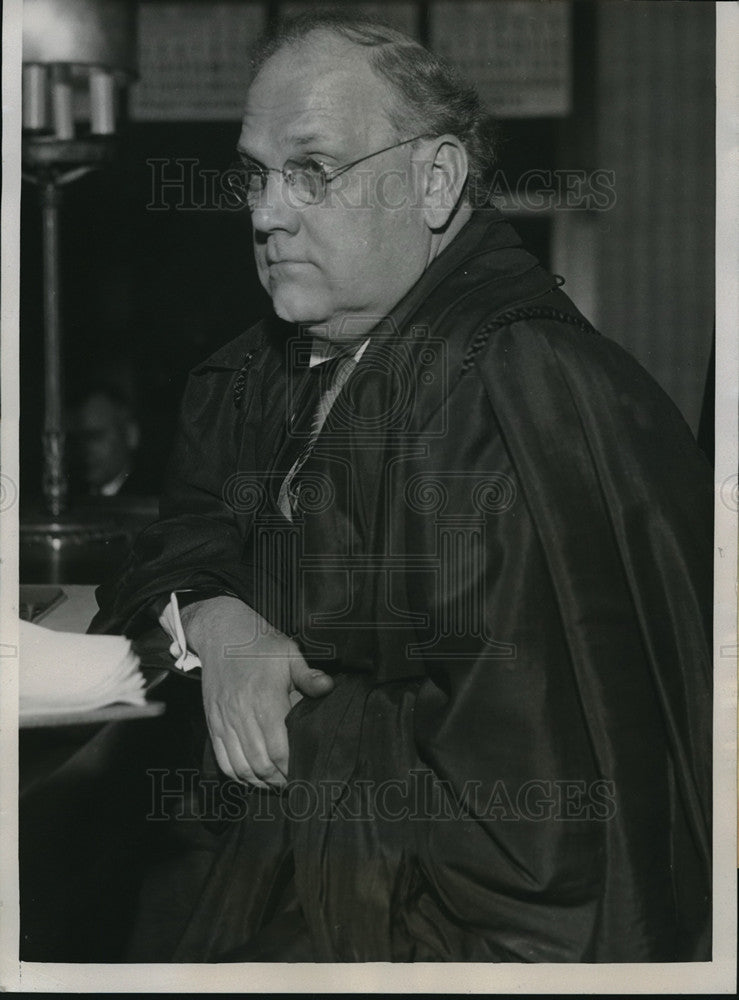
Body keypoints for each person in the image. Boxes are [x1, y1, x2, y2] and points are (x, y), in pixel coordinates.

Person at [90, 13, 712, 962]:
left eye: (312, 171)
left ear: (434, 181)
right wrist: (221, 621)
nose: (264, 212)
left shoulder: (511, 390)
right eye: (254, 173)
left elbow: (533, 831)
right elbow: (187, 527)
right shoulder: (269, 368)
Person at [69, 384, 142, 497]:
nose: (86, 448)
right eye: (80, 438)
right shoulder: (72, 494)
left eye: (96, 436)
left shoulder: (148, 498)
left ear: (130, 435)